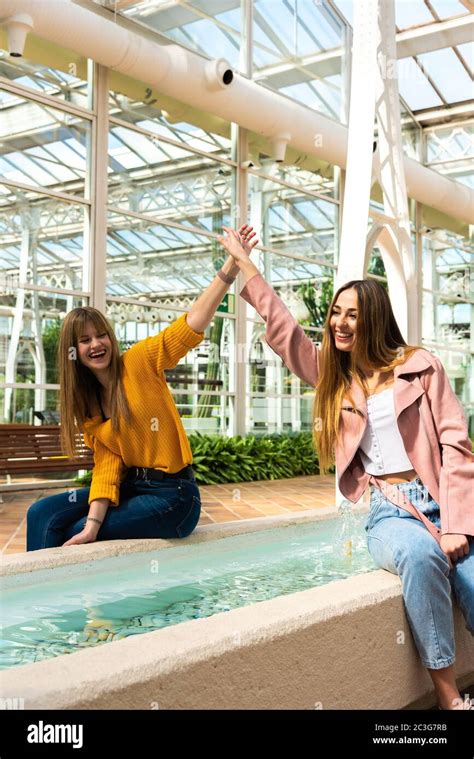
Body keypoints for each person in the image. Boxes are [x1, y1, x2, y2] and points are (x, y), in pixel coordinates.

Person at [217, 224, 474, 711]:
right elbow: (284, 332)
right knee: (421, 559)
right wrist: (246, 266)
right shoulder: (333, 375)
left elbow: (457, 446)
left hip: (443, 503)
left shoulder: (421, 366)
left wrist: (459, 524)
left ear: (374, 318)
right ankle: (450, 700)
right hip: (391, 513)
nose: (339, 322)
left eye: (352, 315)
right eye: (336, 312)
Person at [26, 241, 257, 553]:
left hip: (174, 496)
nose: (96, 344)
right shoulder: (89, 405)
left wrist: (229, 269)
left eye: (101, 334)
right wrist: (93, 525)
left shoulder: (139, 361)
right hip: (130, 489)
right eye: (84, 340)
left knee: (74, 529)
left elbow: (190, 326)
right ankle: (43, 596)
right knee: (40, 513)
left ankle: (52, 596)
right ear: (74, 352)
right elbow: (107, 467)